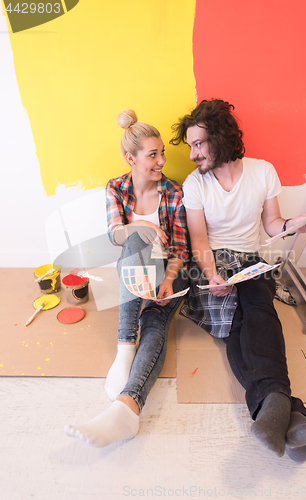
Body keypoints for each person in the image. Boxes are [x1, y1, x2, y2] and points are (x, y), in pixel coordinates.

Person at [170, 99, 306, 462]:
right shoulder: (195, 184)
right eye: (190, 145)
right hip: (211, 266)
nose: (193, 154)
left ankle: (272, 412)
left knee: (259, 310)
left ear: (220, 137)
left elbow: (273, 225)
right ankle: (291, 412)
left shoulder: (262, 171)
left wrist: (292, 225)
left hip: (252, 262)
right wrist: (212, 276)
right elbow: (198, 240)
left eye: (199, 144)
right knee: (237, 321)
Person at [65, 110, 188, 447]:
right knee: (135, 241)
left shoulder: (173, 192)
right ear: (130, 158)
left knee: (156, 320)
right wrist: (140, 226)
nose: (162, 160)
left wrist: (168, 281)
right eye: (153, 154)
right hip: (132, 274)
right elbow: (115, 235)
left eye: (162, 152)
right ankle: (125, 348)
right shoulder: (116, 188)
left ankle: (126, 407)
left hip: (168, 275)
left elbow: (180, 247)